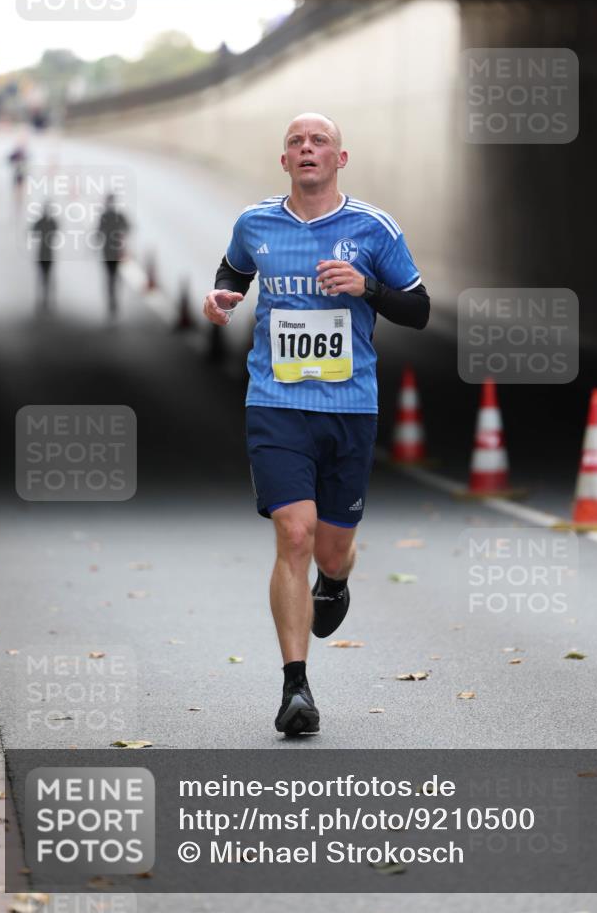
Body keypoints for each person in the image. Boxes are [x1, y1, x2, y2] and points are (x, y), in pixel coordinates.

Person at [203, 113, 430, 736]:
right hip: (275, 402)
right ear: (284, 162)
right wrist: (223, 295)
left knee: (330, 548)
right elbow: (234, 269)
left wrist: (368, 287)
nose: (307, 149)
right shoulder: (256, 223)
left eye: (319, 141)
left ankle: (336, 579)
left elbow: (419, 309)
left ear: (340, 158)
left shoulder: (373, 228)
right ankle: (295, 688)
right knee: (294, 535)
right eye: (296, 143)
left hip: (350, 406)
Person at [96, 193, 130, 317]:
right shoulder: (117, 215)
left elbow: (98, 233)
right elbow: (128, 227)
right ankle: (113, 301)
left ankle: (112, 301)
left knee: (110, 277)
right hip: (113, 250)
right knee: (113, 276)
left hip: (110, 250)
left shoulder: (106, 216)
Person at [30, 201, 59, 312]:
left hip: (45, 252)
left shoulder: (44, 221)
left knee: (44, 277)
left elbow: (33, 231)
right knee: (45, 277)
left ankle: (44, 300)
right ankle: (44, 300)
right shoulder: (50, 221)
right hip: (45, 252)